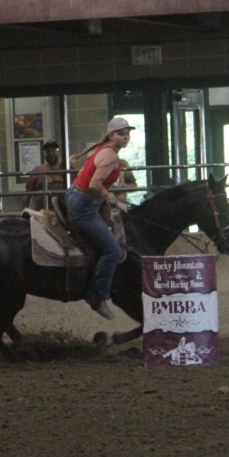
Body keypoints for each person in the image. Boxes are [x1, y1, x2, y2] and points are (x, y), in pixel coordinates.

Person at [67, 117, 134, 320]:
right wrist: (116, 202)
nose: (125, 137)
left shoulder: (103, 150)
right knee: (113, 250)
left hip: (80, 198)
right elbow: (95, 184)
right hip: (84, 206)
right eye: (121, 134)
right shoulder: (111, 156)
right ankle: (97, 296)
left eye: (127, 133)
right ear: (111, 135)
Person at [19, 140, 66, 211]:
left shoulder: (68, 169)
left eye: (53, 150)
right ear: (44, 154)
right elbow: (28, 194)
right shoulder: (37, 170)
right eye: (47, 151)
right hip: (42, 213)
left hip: (64, 212)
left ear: (59, 152)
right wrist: (23, 211)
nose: (51, 153)